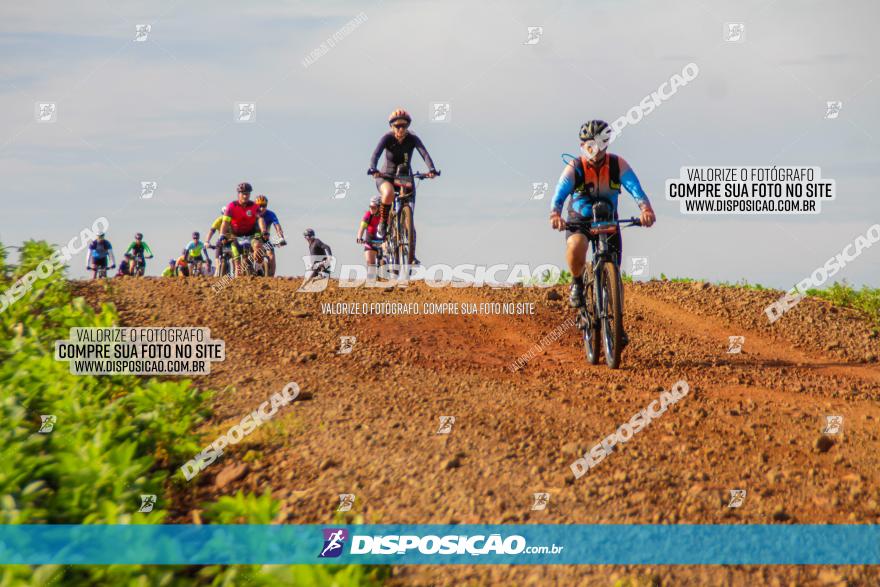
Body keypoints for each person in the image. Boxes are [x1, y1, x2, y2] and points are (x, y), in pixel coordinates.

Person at [549, 120, 656, 345]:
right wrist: (555, 215)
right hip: (580, 219)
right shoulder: (574, 167)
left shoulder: (618, 165)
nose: (595, 150)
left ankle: (618, 326)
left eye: (599, 144)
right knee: (576, 247)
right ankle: (578, 283)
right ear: (582, 145)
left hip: (608, 220)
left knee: (614, 273)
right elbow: (559, 194)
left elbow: (635, 188)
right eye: (590, 145)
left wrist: (645, 209)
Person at [367, 108, 438, 242]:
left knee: (409, 211)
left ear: (407, 126)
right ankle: (383, 223)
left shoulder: (412, 138)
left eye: (404, 125)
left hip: (404, 176)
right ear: (392, 127)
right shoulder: (387, 138)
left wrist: (432, 169)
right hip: (386, 176)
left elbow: (424, 153)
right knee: (389, 193)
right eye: (397, 126)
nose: (400, 129)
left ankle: (410, 246)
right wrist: (373, 168)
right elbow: (375, 155)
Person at [220, 182, 267, 275]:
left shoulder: (254, 206)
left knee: (258, 247)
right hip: (235, 235)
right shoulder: (231, 207)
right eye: (243, 194)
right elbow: (225, 223)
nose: (245, 196)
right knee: (237, 264)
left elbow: (260, 219)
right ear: (239, 194)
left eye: (247, 194)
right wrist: (222, 235)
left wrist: (264, 231)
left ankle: (258, 268)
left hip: (251, 234)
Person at [255, 195, 286, 277]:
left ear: (266, 205)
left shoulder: (270, 214)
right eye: (259, 206)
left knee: (271, 256)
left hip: (265, 239)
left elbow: (277, 226)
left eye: (263, 206)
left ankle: (271, 277)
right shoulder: (253, 214)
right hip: (254, 239)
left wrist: (281, 237)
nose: (261, 208)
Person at [356, 195, 383, 279]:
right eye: (370, 207)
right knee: (370, 263)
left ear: (379, 207)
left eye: (373, 207)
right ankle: (372, 282)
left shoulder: (384, 216)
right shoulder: (368, 215)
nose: (371, 209)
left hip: (382, 242)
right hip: (370, 241)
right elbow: (362, 227)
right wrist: (359, 237)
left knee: (383, 263)